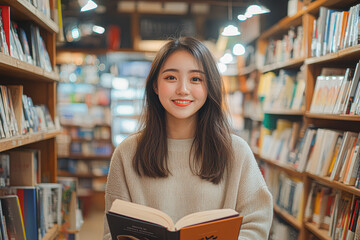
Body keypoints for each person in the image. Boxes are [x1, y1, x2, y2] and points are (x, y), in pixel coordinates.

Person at [103, 37, 273, 240]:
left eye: (196, 79)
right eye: (171, 78)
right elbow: (112, 233)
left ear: (209, 86)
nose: (183, 89)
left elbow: (256, 225)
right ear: (155, 86)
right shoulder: (127, 152)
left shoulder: (236, 151)